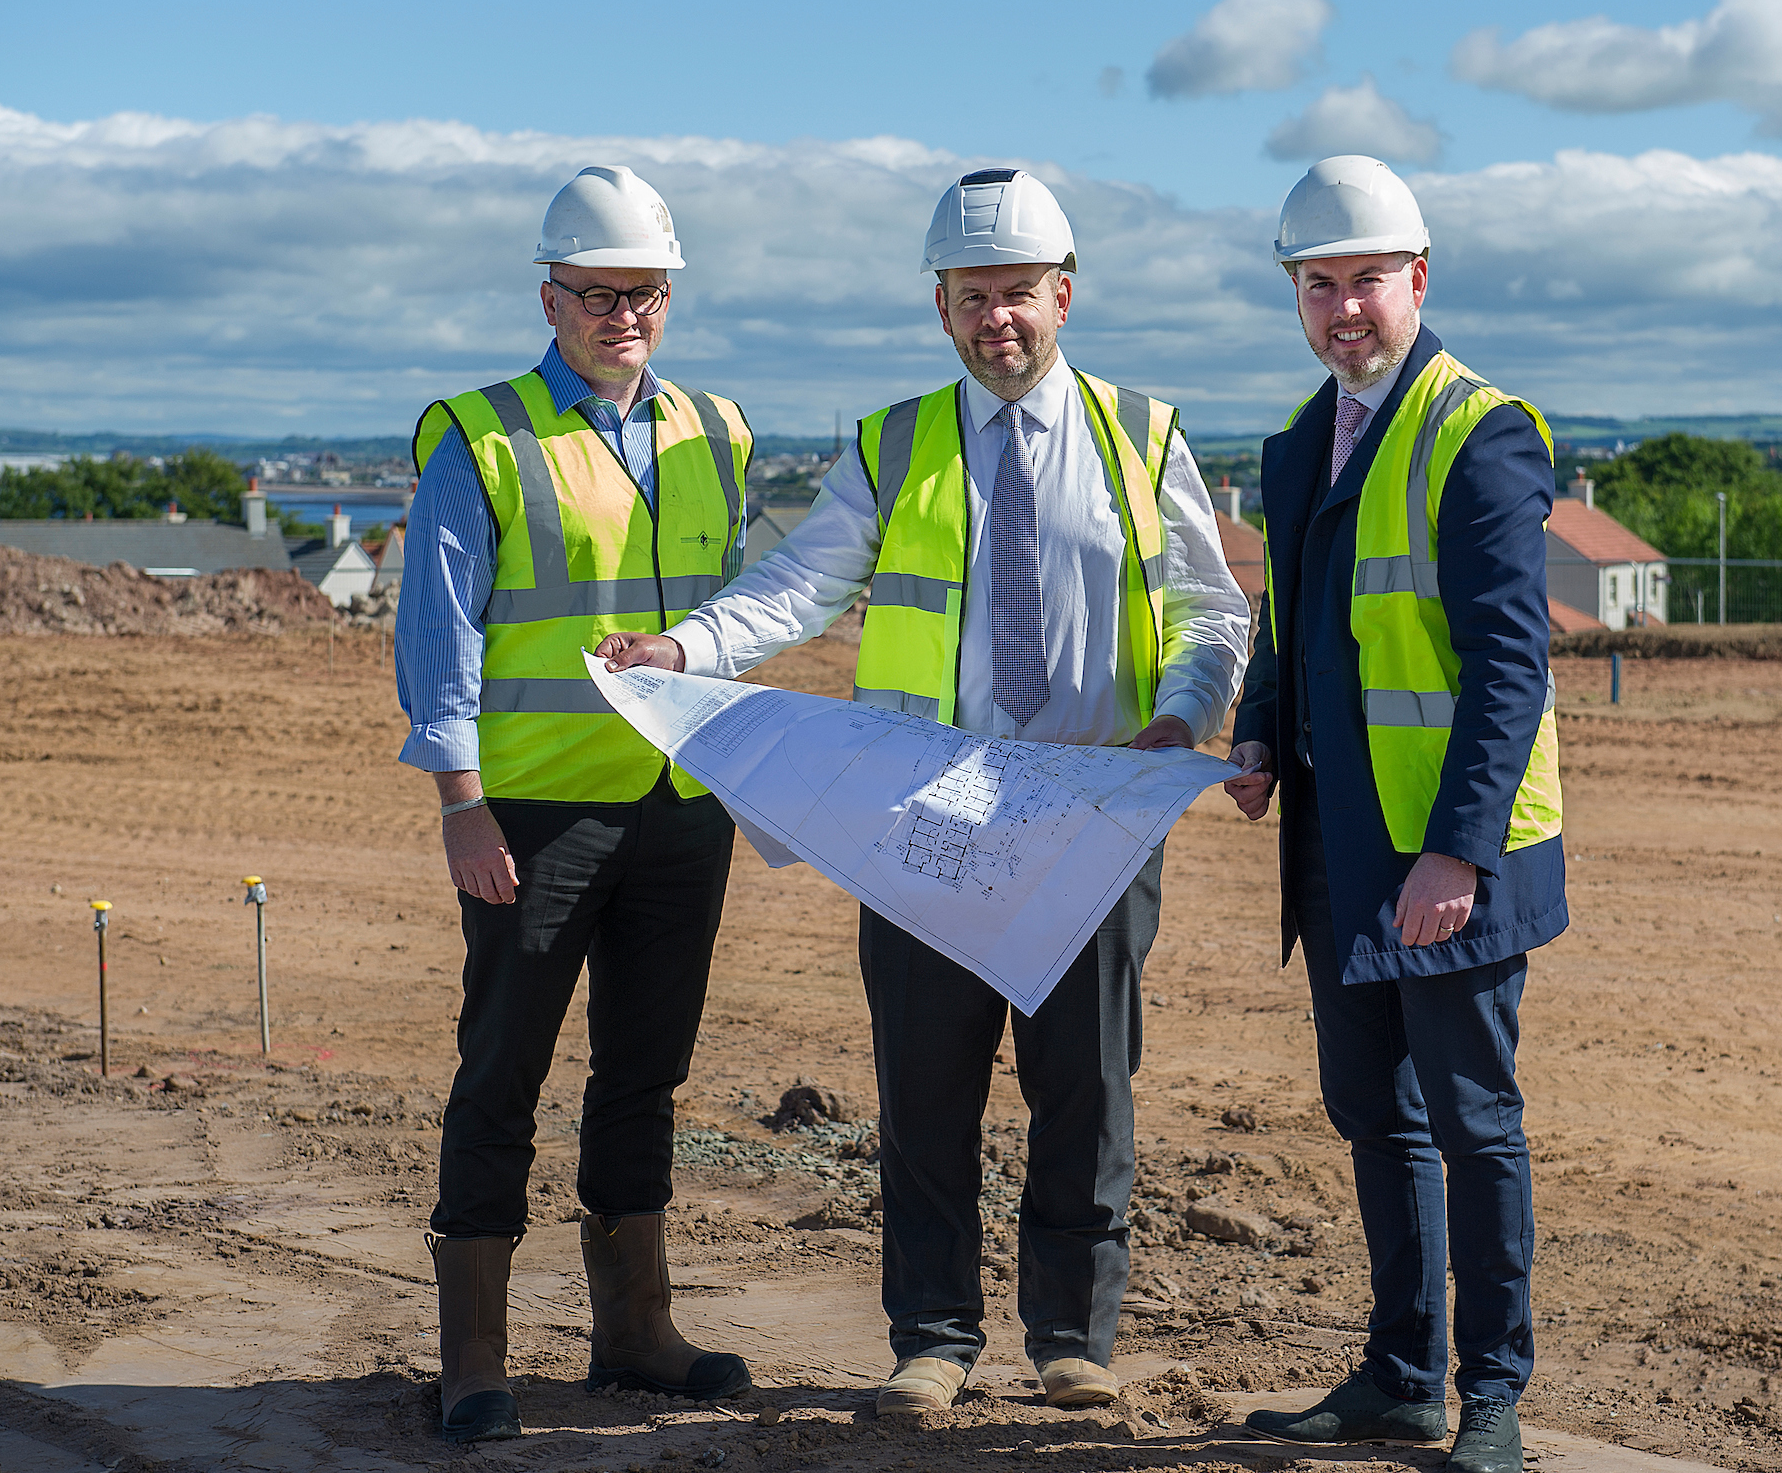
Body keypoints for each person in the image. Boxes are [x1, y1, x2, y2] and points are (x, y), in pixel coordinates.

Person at [599, 168, 1249, 1420]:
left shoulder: (1144, 434)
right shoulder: (895, 443)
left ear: (1064, 295)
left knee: (1087, 1085)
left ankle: (1071, 1334)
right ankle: (935, 1340)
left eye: (1018, 295)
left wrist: (1181, 715)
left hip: (1088, 814)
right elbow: (797, 586)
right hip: (926, 818)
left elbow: (1212, 608)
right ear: (940, 307)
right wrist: (683, 649)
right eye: (972, 298)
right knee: (927, 1089)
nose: (997, 318)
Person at [396, 166, 758, 1443]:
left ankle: (635, 1330)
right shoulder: (482, 436)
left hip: (679, 805)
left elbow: (730, 619)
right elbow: (438, 634)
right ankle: (476, 1352)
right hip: (536, 813)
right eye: (597, 294)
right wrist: (459, 802)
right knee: (503, 1067)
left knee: (645, 1072)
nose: (623, 315)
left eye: (645, 293)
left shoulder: (718, 430)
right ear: (548, 297)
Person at [1222, 155, 1567, 1473]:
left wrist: (1458, 851)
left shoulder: (1480, 430)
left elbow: (1508, 667)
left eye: (1367, 278)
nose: (1344, 307)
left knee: (1474, 1120)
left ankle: (1493, 1394)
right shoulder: (1305, 439)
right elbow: (1287, 619)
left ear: (1418, 278)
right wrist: (1258, 726)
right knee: (1376, 1112)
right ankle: (1402, 1374)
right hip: (1339, 844)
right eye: (1320, 284)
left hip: (1447, 858)